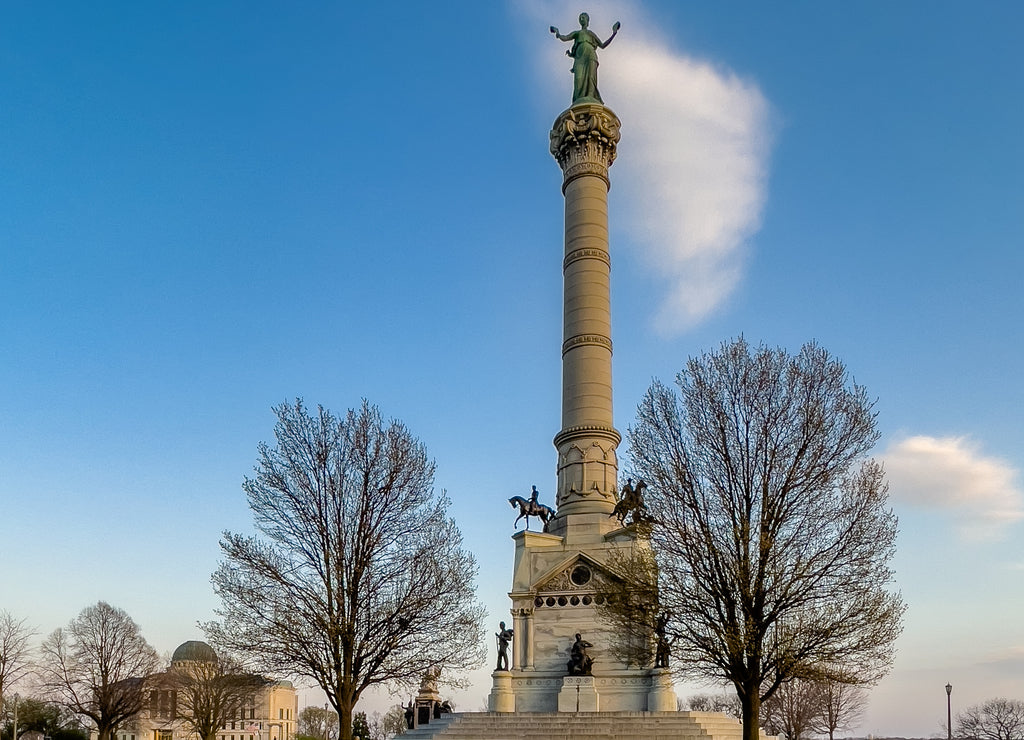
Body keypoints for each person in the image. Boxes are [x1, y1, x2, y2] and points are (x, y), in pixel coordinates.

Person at [550, 13, 620, 105]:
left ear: (587, 20)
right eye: (580, 18)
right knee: (578, 79)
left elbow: (602, 45)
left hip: (591, 56)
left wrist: (613, 34)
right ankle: (580, 100)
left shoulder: (590, 34)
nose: (581, 19)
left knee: (591, 77)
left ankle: (590, 96)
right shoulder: (577, 33)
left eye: (583, 17)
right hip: (579, 58)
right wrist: (557, 33)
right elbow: (565, 38)